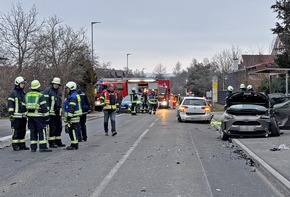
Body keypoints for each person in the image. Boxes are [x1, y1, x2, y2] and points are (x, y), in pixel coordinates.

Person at [25, 80, 52, 152]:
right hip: (39, 116)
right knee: (42, 130)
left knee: (33, 131)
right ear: (38, 87)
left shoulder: (27, 95)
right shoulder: (40, 95)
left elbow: (24, 106)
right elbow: (44, 107)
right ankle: (43, 147)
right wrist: (47, 117)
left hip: (30, 116)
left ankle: (33, 147)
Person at [8, 76, 29, 151]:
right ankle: (15, 145)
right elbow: (10, 104)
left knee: (23, 131)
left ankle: (22, 144)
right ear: (17, 84)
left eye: (23, 83)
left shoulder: (24, 93)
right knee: (16, 131)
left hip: (23, 116)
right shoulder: (13, 93)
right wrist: (11, 113)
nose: (23, 85)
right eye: (22, 83)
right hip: (16, 116)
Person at [43, 77, 65, 148]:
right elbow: (45, 102)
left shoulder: (58, 92)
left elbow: (59, 102)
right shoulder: (47, 91)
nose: (56, 85)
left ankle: (58, 141)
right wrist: (47, 113)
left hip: (57, 113)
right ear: (52, 84)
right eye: (55, 84)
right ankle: (52, 143)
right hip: (50, 113)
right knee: (52, 128)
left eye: (57, 84)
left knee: (59, 127)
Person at [63, 81, 82, 150]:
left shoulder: (73, 96)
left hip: (73, 117)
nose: (66, 90)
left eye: (67, 88)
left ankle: (74, 145)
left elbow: (72, 107)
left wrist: (69, 117)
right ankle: (73, 143)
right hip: (75, 116)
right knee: (72, 130)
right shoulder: (73, 95)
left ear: (71, 88)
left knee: (72, 131)